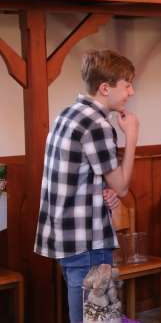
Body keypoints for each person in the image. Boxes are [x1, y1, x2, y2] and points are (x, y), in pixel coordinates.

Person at [34, 49, 139, 323]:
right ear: (105, 88)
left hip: (65, 238)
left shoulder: (67, 114)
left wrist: (101, 193)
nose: (131, 91)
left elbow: (76, 176)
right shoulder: (97, 124)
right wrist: (132, 137)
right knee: (95, 320)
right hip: (87, 241)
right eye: (127, 84)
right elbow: (123, 186)